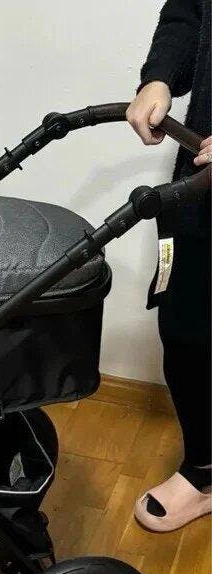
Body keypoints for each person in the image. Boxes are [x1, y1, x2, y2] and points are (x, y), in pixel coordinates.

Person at [126, 0, 211, 531]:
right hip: (203, 175)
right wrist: (159, 77)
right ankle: (205, 470)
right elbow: (187, 12)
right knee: (185, 325)